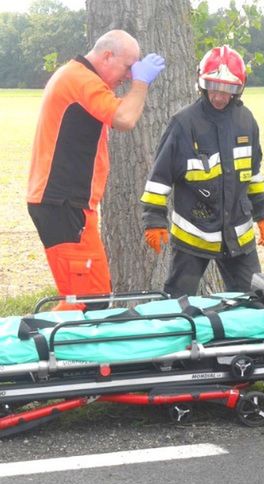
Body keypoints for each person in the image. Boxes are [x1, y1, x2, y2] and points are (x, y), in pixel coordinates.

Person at [27, 30, 165, 310]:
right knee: (89, 303)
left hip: (67, 205)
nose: (128, 76)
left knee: (87, 299)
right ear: (107, 56)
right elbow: (125, 118)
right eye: (128, 67)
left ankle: (52, 349)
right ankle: (44, 350)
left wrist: (135, 77)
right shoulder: (81, 79)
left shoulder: (76, 75)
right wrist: (141, 83)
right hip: (63, 204)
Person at [140, 45, 264, 297]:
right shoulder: (183, 123)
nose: (220, 96)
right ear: (201, 83)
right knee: (178, 304)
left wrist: (262, 212)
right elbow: (159, 178)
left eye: (229, 90)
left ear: (239, 88)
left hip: (238, 235)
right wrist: (154, 220)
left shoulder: (247, 121)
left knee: (254, 301)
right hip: (193, 234)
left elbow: (253, 174)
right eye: (214, 87)